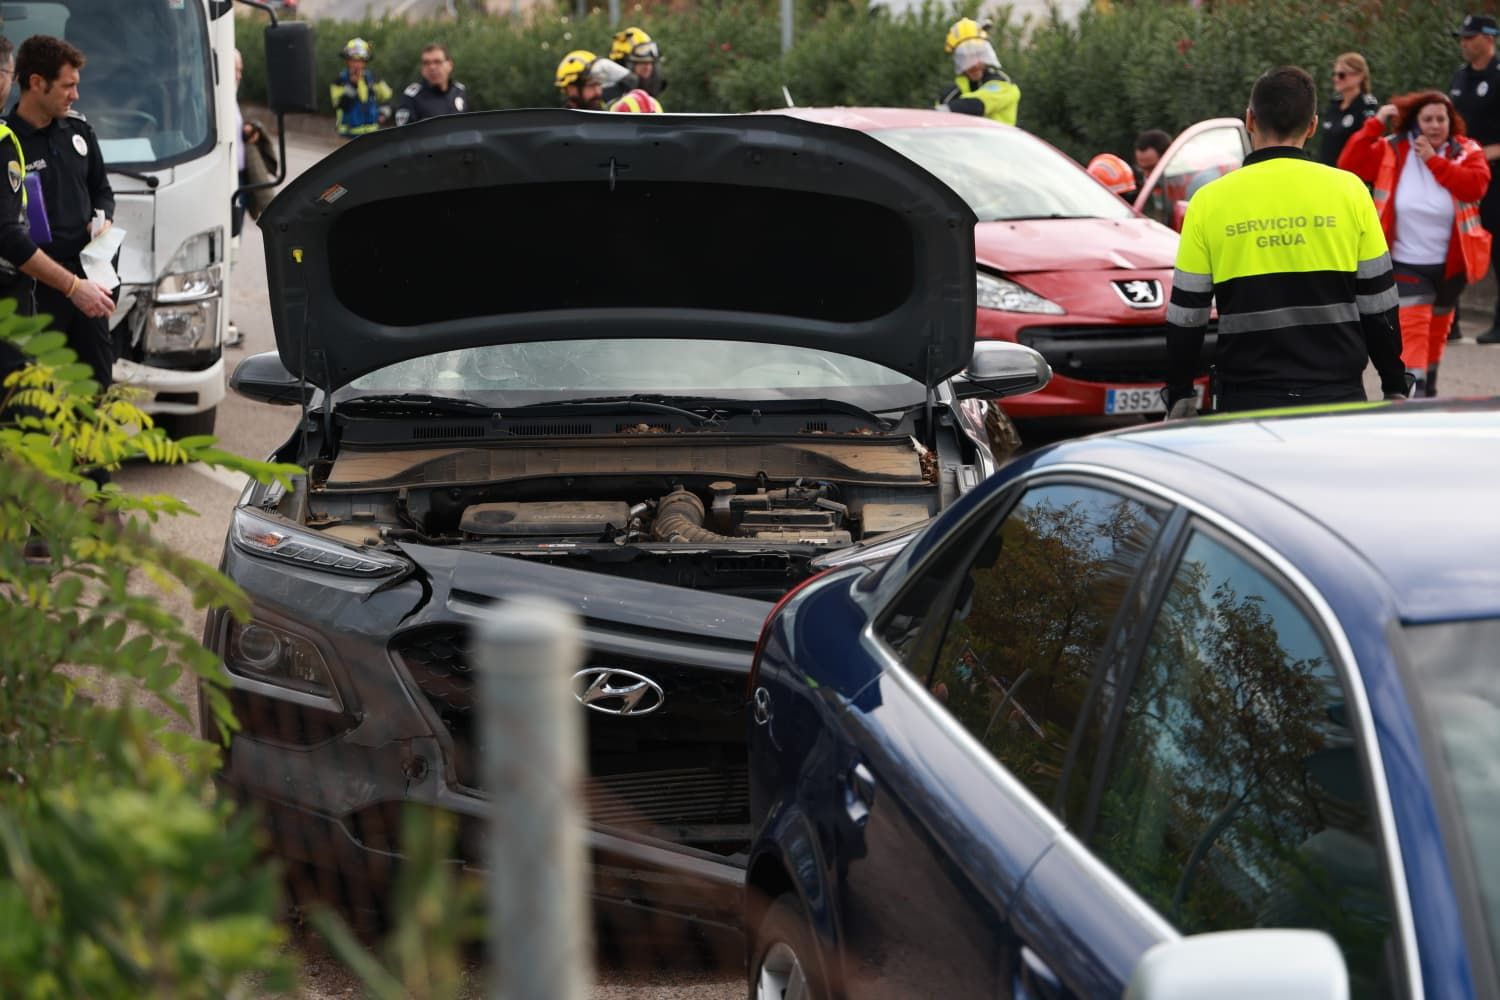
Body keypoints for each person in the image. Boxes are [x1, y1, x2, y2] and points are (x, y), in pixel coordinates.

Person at [1163, 66, 1408, 417]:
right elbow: (1379, 304)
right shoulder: (1350, 191)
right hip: (1337, 393)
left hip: (1246, 399)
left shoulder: (1208, 201)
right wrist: (1394, 382)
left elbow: (1187, 316)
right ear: (1312, 126)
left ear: (1249, 119)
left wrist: (1180, 391)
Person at [1338, 91, 1491, 396]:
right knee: (1413, 332)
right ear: (1414, 123)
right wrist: (1374, 125)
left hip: (1452, 266)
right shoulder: (1393, 148)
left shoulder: (1466, 149)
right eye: (1428, 119)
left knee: (1436, 335)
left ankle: (1427, 390)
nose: (1435, 125)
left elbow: (1475, 185)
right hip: (1406, 263)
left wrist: (1433, 161)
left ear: (1451, 121)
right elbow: (1350, 164)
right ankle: (1413, 397)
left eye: (1441, 119)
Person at [2, 36, 117, 392]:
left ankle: (86, 451)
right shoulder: (10, 142)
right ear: (36, 83)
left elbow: (103, 190)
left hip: (87, 278)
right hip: (39, 283)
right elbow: (7, 232)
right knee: (34, 393)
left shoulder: (79, 131)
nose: (75, 95)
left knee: (96, 387)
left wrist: (104, 219)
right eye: (68, 86)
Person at [1449, 13, 1500, 343]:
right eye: (1462, 38)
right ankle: (1448, 320)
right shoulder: (1459, 77)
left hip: (1495, 177)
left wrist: (1480, 156)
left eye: (1470, 37)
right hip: (1461, 176)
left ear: (1489, 37)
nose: (1464, 43)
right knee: (1452, 247)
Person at [937, 18, 1019, 125]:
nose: (975, 64)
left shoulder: (1003, 84)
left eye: (979, 54)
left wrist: (939, 111)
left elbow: (977, 104)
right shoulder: (949, 95)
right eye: (966, 58)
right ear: (958, 61)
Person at [1318, 52, 1380, 167]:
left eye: (1342, 75)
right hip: (1328, 174)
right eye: (1334, 74)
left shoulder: (1367, 106)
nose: (1336, 79)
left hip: (1351, 175)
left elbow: (1368, 143)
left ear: (1360, 76)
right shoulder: (1334, 105)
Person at [330, 37, 392, 139]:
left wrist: (383, 114)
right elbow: (341, 105)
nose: (356, 64)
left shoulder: (373, 79)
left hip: (372, 134)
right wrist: (353, 85)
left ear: (365, 61)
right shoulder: (340, 81)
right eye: (353, 60)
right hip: (347, 135)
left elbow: (388, 97)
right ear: (347, 60)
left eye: (360, 60)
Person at [394, 43, 467, 127]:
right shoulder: (412, 96)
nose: (432, 67)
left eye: (437, 62)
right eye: (426, 63)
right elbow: (404, 134)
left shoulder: (459, 91)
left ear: (450, 65)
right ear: (422, 69)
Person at [555, 50, 630, 112]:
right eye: (591, 85)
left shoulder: (607, 118)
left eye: (599, 84)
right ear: (571, 89)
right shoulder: (560, 126)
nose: (598, 92)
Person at [609, 27, 665, 100]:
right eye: (641, 63)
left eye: (650, 63)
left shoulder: (649, 98)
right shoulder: (610, 99)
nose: (648, 68)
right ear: (622, 64)